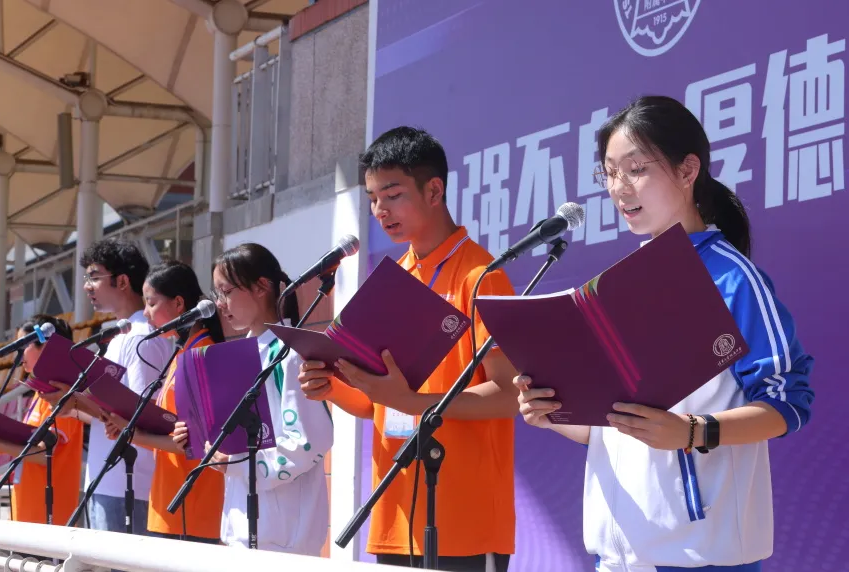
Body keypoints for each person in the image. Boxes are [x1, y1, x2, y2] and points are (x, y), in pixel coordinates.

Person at [514, 95, 815, 571]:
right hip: (619, 556)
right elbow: (615, 428)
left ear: (687, 169)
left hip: (703, 556)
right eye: (609, 173)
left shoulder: (732, 279)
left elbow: (788, 402)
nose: (619, 188)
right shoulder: (617, 286)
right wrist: (553, 412)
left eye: (635, 170)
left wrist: (693, 432)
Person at [299, 126, 519, 571]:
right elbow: (377, 403)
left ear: (434, 190)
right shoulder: (394, 277)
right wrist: (331, 387)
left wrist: (412, 402)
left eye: (393, 195)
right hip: (395, 514)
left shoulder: (482, 276)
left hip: (465, 521)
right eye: (373, 198)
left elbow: (509, 394)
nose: (380, 210)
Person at [177, 243, 332, 555]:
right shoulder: (240, 355)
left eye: (226, 291)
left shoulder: (290, 353)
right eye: (217, 293)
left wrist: (235, 464)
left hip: (285, 537)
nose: (219, 303)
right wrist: (198, 437)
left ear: (262, 287)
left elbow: (310, 442)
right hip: (241, 526)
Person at [55, 238, 174, 534]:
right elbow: (111, 415)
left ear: (122, 281)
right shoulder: (120, 335)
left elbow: (141, 413)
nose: (87, 287)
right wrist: (72, 406)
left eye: (94, 277)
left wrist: (79, 399)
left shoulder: (141, 336)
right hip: (107, 479)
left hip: (129, 483)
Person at [103, 261, 225, 543]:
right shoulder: (182, 353)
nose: (145, 313)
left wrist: (132, 434)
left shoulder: (203, 355)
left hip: (191, 508)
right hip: (171, 502)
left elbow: (193, 445)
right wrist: (130, 427)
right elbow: (174, 431)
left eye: (151, 303)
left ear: (179, 303)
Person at [0, 314, 83, 525]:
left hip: (49, 514)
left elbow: (45, 455)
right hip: (29, 508)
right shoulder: (40, 392)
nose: (19, 353)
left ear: (47, 347)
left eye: (23, 345)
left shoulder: (60, 392)